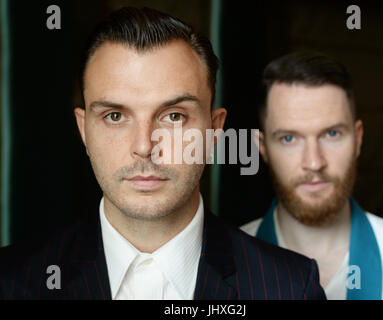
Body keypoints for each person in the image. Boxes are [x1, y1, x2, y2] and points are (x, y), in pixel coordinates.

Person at [0, 7, 325, 300]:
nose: (144, 146)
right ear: (84, 131)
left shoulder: (290, 289)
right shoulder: (11, 282)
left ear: (214, 130)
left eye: (173, 116)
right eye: (115, 116)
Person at [242, 51, 383, 300]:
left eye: (332, 134)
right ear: (263, 147)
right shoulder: (216, 266)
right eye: (289, 138)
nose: (314, 162)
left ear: (358, 139)